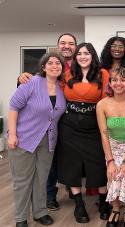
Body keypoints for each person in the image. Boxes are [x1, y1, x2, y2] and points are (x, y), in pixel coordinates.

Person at [17, 33, 77, 211]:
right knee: (48, 164)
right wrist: (21, 78)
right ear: (58, 46)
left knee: (64, 159)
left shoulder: (79, 66)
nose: (67, 46)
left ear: (75, 47)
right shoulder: (51, 67)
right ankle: (50, 197)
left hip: (69, 123)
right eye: (63, 43)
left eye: (71, 43)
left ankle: (72, 189)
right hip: (45, 124)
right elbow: (31, 90)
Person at [7, 52, 66, 227]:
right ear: (43, 67)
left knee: (41, 178)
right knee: (22, 181)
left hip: (48, 141)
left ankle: (40, 212)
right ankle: (21, 218)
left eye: (58, 63)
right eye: (51, 63)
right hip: (23, 139)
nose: (55, 66)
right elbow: (13, 107)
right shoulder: (30, 83)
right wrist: (12, 134)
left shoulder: (61, 89)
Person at [56, 42, 110, 223]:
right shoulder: (67, 74)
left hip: (93, 125)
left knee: (98, 165)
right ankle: (79, 205)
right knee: (72, 165)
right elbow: (49, 85)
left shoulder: (103, 74)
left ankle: (104, 203)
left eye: (86, 53)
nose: (82, 56)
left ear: (92, 55)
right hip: (69, 126)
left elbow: (105, 102)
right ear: (75, 57)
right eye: (79, 54)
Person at [96, 67, 125, 227]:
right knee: (114, 172)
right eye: (114, 80)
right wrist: (110, 161)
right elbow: (104, 134)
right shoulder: (102, 104)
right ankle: (115, 208)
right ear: (109, 83)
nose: (119, 83)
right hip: (112, 144)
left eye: (123, 80)